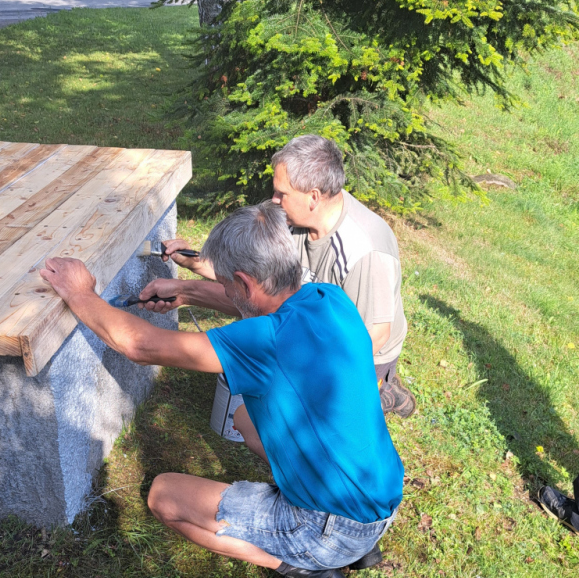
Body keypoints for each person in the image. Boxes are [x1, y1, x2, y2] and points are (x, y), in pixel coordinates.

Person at [41, 202, 404, 578]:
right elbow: (256, 302)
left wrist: (80, 293)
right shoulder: (327, 298)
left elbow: (141, 345)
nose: (227, 289)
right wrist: (186, 292)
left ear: (245, 283)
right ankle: (339, 540)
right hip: (381, 493)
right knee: (247, 419)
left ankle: (304, 570)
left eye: (227, 282)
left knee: (164, 495)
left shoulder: (264, 339)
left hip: (330, 527)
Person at [138, 135, 415, 418]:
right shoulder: (294, 221)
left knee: (313, 421)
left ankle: (383, 389)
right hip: (310, 323)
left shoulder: (365, 251)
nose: (274, 200)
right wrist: (192, 264)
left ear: (314, 197)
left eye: (282, 194)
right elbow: (251, 281)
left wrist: (308, 376)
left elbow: (374, 335)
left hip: (356, 352)